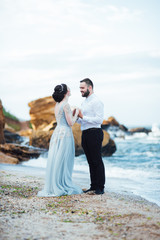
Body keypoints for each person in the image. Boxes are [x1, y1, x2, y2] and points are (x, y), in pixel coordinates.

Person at [37, 84, 82, 197]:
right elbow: (71, 123)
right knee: (64, 159)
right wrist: (76, 112)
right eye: (69, 88)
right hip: (65, 133)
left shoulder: (57, 105)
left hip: (57, 132)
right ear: (66, 92)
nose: (70, 89)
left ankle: (55, 183)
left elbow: (63, 119)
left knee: (57, 158)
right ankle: (61, 184)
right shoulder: (66, 105)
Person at [77, 78, 105, 195]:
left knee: (97, 160)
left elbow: (99, 119)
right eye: (80, 88)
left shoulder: (97, 101)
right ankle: (93, 186)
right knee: (90, 161)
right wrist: (77, 118)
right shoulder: (84, 102)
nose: (81, 91)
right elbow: (83, 121)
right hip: (85, 133)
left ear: (89, 87)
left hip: (95, 133)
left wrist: (83, 117)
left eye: (82, 88)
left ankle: (100, 187)